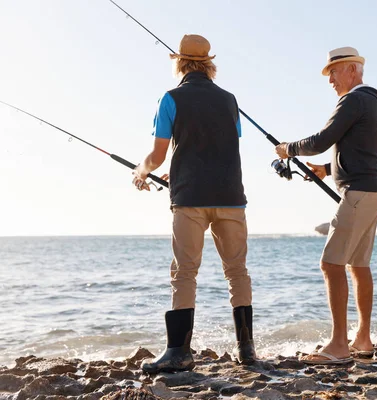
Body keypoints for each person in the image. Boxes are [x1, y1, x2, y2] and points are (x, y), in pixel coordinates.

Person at [132, 34, 256, 373]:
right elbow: (220, 145)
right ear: (208, 64)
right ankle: (247, 350)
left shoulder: (170, 98)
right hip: (231, 196)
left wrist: (141, 172)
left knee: (185, 273)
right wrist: (184, 168)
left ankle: (179, 351)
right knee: (237, 272)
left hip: (190, 199)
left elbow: (157, 156)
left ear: (179, 62)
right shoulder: (230, 100)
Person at [275, 46, 377, 365]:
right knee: (358, 264)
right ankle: (362, 339)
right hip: (373, 190)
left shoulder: (353, 99)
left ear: (353, 70)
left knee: (331, 264)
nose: (330, 80)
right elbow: (360, 148)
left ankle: (339, 345)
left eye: (335, 71)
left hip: (358, 193)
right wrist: (327, 170)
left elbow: (322, 140)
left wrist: (289, 149)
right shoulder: (373, 103)